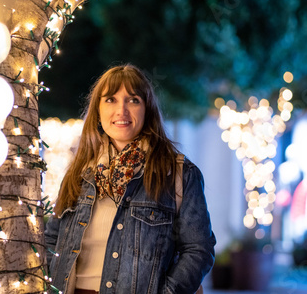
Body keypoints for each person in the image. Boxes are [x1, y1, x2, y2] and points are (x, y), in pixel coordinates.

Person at [45, 64, 216, 294]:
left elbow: (198, 250)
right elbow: (52, 239)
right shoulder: (79, 172)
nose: (121, 111)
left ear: (147, 109)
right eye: (110, 100)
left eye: (133, 100)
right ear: (97, 110)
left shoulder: (178, 174)